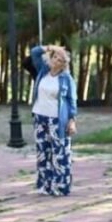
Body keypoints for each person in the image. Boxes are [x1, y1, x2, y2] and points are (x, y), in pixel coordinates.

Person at [31, 45, 78, 196]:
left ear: (64, 64)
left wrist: (72, 120)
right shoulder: (43, 72)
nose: (55, 60)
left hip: (57, 119)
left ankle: (61, 185)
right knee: (43, 152)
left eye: (60, 59)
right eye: (54, 57)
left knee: (60, 152)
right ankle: (45, 185)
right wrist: (51, 47)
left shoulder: (66, 79)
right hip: (39, 117)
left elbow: (72, 101)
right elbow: (34, 52)